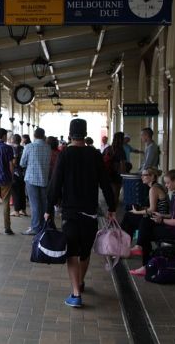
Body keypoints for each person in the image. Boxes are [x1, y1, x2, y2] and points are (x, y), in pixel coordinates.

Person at [47, 118, 116, 308]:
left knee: (72, 253)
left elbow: (55, 183)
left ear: (70, 134)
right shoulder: (95, 154)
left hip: (70, 213)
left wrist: (48, 209)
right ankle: (81, 283)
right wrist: (111, 207)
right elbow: (105, 183)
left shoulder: (65, 154)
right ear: (85, 134)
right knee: (85, 252)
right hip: (90, 214)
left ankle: (76, 293)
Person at [129, 169, 175, 276]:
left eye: (168, 183)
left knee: (146, 232)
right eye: (165, 183)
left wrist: (162, 220)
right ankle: (144, 261)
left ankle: (144, 262)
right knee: (147, 221)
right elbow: (174, 215)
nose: (166, 185)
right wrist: (161, 215)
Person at [120, 167, 169, 238]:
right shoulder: (156, 186)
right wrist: (140, 209)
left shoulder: (153, 189)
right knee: (129, 214)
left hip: (158, 218)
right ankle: (127, 242)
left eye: (144, 175)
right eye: (141, 175)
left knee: (128, 217)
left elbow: (152, 210)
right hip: (157, 216)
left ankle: (124, 242)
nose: (141, 177)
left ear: (152, 176)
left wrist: (136, 212)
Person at [20, 127, 51, 235]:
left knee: (34, 205)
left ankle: (35, 227)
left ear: (34, 135)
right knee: (43, 204)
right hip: (44, 179)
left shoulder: (29, 146)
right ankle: (42, 226)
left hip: (31, 179)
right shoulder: (48, 147)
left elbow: (22, 163)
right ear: (43, 135)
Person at [102, 132, 127, 210]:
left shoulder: (108, 148)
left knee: (111, 193)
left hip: (108, 172)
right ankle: (113, 211)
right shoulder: (120, 150)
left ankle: (110, 208)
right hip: (117, 173)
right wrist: (124, 175)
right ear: (121, 140)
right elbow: (122, 164)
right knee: (116, 193)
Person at [10, 134, 27, 217]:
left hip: (16, 172)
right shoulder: (23, 148)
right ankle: (23, 210)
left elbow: (14, 161)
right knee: (22, 191)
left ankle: (16, 211)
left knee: (15, 192)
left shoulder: (13, 148)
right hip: (23, 173)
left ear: (13, 140)